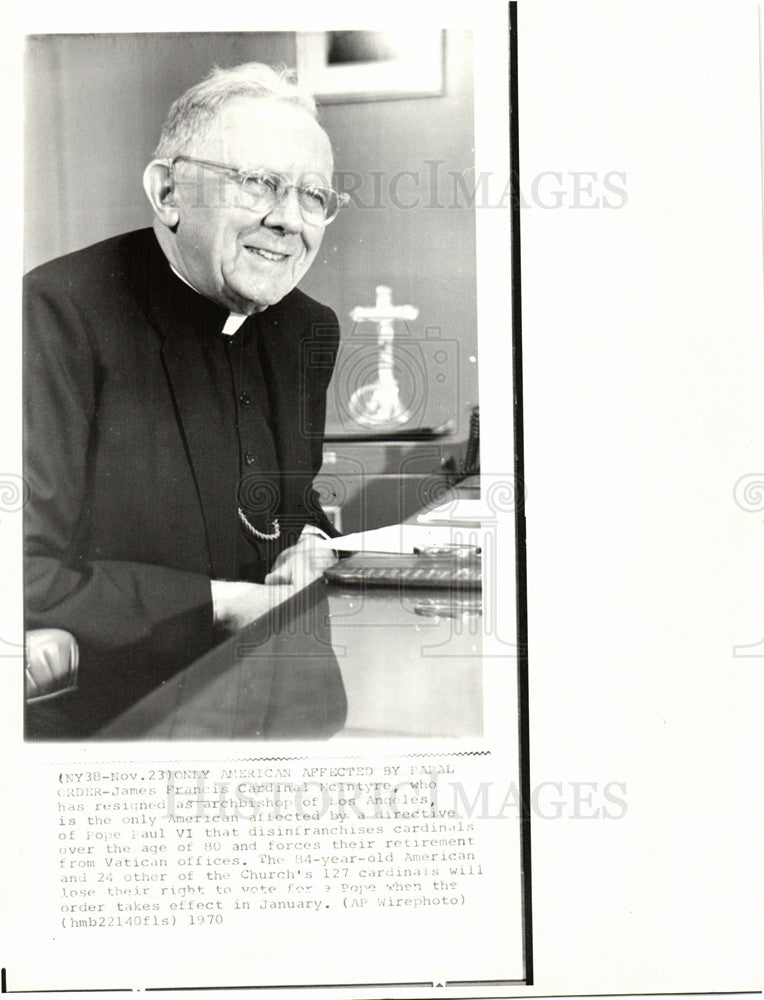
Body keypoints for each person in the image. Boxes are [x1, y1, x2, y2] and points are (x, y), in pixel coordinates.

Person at [23, 62, 348, 735]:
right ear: (168, 191)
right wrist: (218, 603)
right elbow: (19, 567)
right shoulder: (54, 314)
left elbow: (293, 501)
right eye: (257, 182)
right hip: (124, 713)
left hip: (280, 691)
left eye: (313, 196)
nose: (288, 220)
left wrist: (313, 542)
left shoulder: (307, 328)